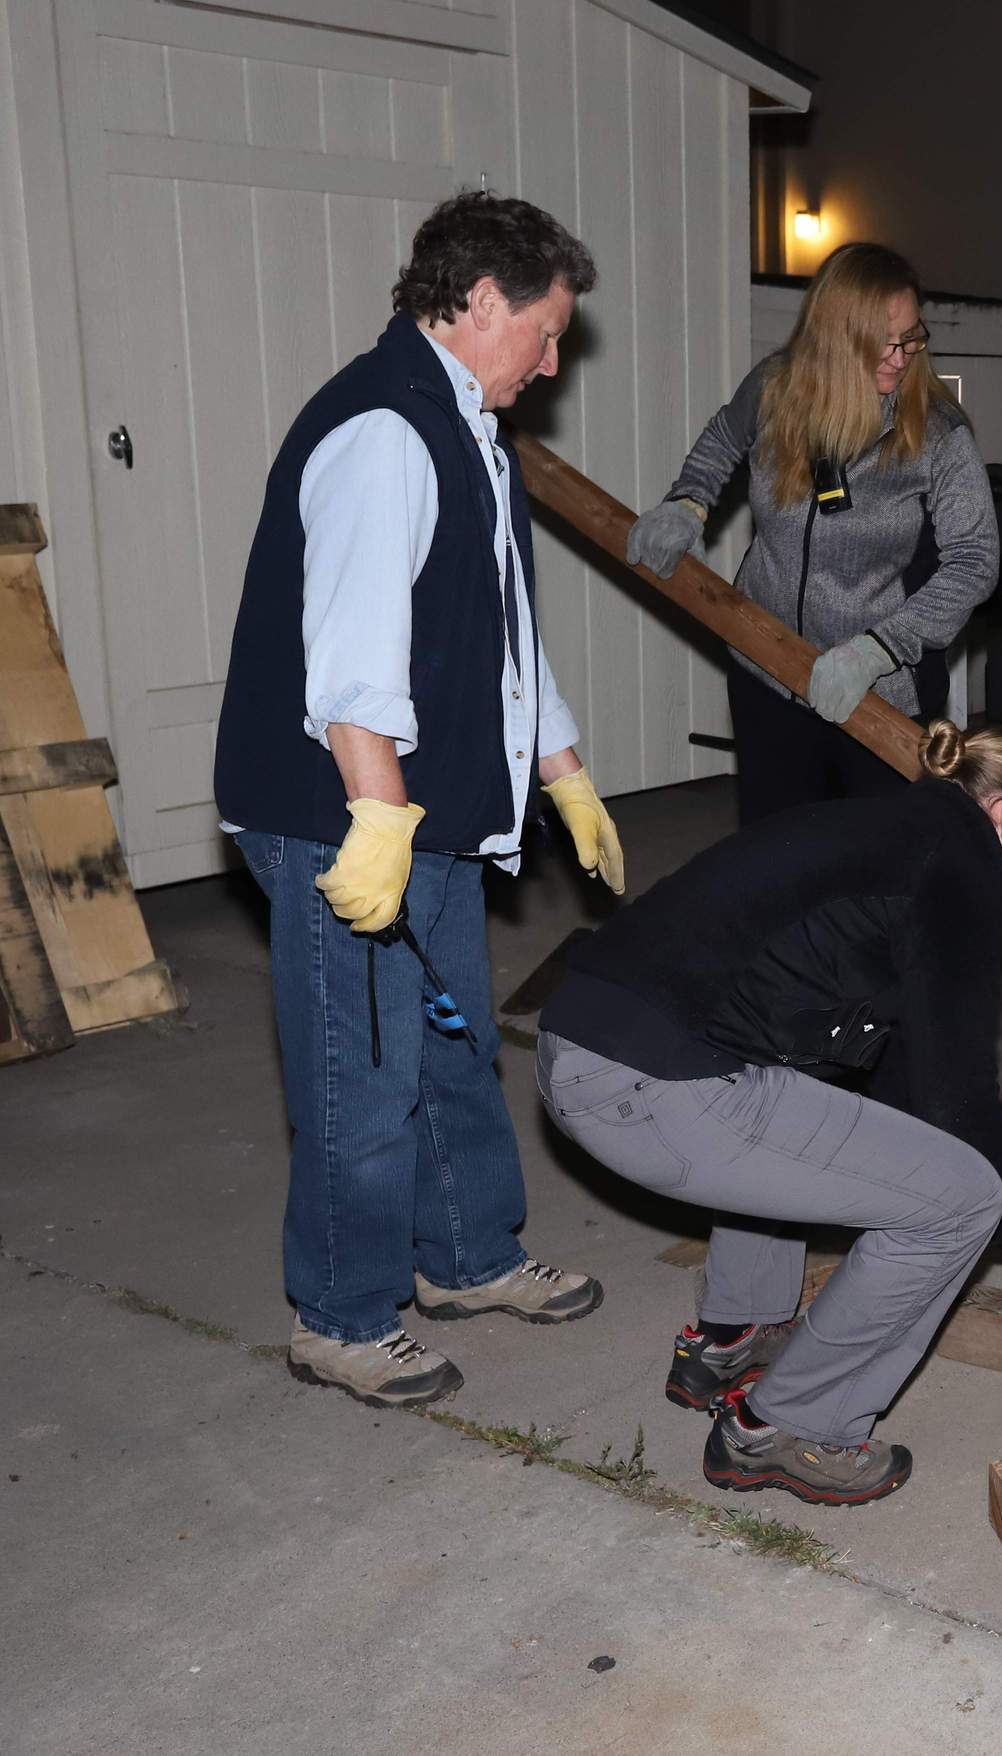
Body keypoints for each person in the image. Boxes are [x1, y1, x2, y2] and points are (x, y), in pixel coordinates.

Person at [214, 191, 621, 1408]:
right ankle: (341, 1316)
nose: (552, 363)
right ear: (483, 301)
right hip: (342, 812)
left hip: (421, 810)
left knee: (449, 1040)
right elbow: (350, 660)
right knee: (366, 1066)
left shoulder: (466, 428)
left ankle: (467, 1255)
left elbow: (497, 634)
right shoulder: (383, 430)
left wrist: (562, 769)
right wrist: (380, 821)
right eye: (544, 333)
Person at [534, 719, 1002, 1507]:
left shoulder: (885, 831)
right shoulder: (957, 866)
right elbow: (952, 1097)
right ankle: (789, 1426)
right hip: (652, 1090)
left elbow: (911, 1076)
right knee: (961, 1204)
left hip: (580, 1048)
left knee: (815, 1099)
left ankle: (736, 1337)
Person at [626, 243, 997, 824]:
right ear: (834, 338)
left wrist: (877, 651)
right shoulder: (777, 388)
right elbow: (724, 437)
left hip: (876, 691)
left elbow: (974, 562)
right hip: (766, 666)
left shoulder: (938, 434)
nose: (901, 358)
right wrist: (688, 502)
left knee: (871, 859)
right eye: (882, 342)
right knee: (777, 847)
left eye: (910, 338)